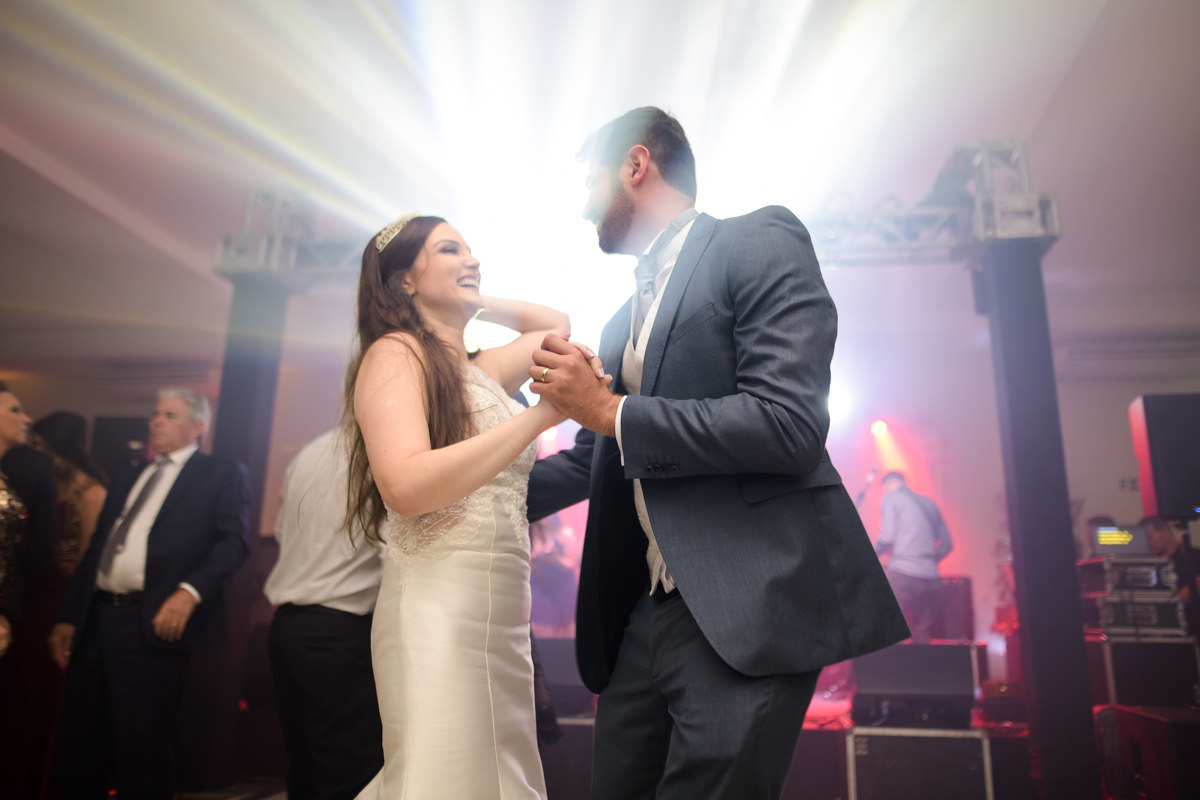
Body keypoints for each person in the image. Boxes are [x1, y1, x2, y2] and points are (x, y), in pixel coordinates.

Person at [527, 106, 909, 800]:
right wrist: (462, 491)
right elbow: (595, 457)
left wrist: (613, 410)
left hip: (746, 606)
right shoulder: (617, 323)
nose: (585, 206)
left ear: (636, 165)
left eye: (591, 181)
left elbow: (788, 422)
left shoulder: (756, 239)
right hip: (639, 616)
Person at [345, 214, 578, 799]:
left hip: (502, 608)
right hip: (438, 605)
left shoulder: (482, 369)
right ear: (403, 279)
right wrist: (538, 419)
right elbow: (404, 486)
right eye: (450, 250)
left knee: (499, 773)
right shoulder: (396, 354)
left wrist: (469, 296)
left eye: (472, 252)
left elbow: (557, 326)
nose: (472, 259)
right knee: (445, 774)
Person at [46, 387, 250, 799]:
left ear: (198, 427)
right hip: (98, 617)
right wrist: (70, 615)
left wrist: (189, 592)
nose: (156, 421)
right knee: (81, 739)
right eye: (155, 414)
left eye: (170, 415)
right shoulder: (127, 476)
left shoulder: (220, 473)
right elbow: (96, 551)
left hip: (151, 621)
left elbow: (234, 543)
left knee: (144, 744)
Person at [265, 428, 385, 799]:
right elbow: (395, 546)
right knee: (348, 771)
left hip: (287, 626)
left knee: (304, 766)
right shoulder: (383, 452)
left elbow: (282, 532)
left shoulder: (312, 448)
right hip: (337, 630)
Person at [873, 471, 954, 643]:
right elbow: (947, 544)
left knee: (894, 628)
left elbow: (887, 536)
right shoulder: (930, 504)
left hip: (903, 573)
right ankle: (922, 669)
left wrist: (869, 556)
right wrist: (929, 560)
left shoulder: (891, 499)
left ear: (888, 484)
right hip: (930, 576)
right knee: (922, 630)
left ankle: (894, 669)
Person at [1143, 515, 1200, 638]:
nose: (1148, 543)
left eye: (1150, 537)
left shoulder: (1192, 555)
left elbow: (1195, 588)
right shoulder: (1150, 565)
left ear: (1165, 531)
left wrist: (1172, 601)